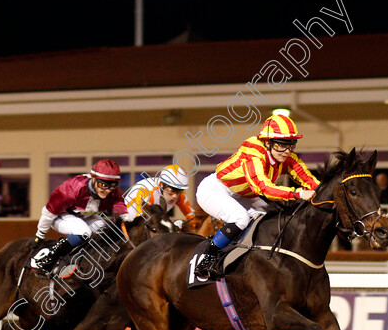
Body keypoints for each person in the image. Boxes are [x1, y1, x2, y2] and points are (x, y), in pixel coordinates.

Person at [194, 114, 320, 278]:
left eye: (291, 145)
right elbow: (265, 188)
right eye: (282, 145)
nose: (287, 151)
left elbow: (311, 181)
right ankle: (207, 256)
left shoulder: (288, 157)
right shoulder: (253, 152)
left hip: (242, 194)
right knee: (241, 218)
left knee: (269, 216)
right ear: (267, 142)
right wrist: (299, 193)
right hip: (215, 190)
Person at [30, 159, 133, 275]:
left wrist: (128, 218)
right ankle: (49, 258)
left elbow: (118, 204)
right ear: (93, 179)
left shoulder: (112, 191)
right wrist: (40, 235)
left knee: (104, 229)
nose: (108, 190)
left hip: (84, 217)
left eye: (112, 185)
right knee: (84, 232)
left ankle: (88, 260)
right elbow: (49, 212)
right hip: (60, 216)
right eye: (103, 185)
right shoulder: (73, 188)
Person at [124, 164, 195, 228]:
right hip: (129, 223)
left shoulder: (180, 195)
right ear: (161, 185)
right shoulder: (146, 191)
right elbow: (145, 220)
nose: (175, 196)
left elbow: (193, 218)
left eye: (179, 191)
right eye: (171, 192)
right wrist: (172, 225)